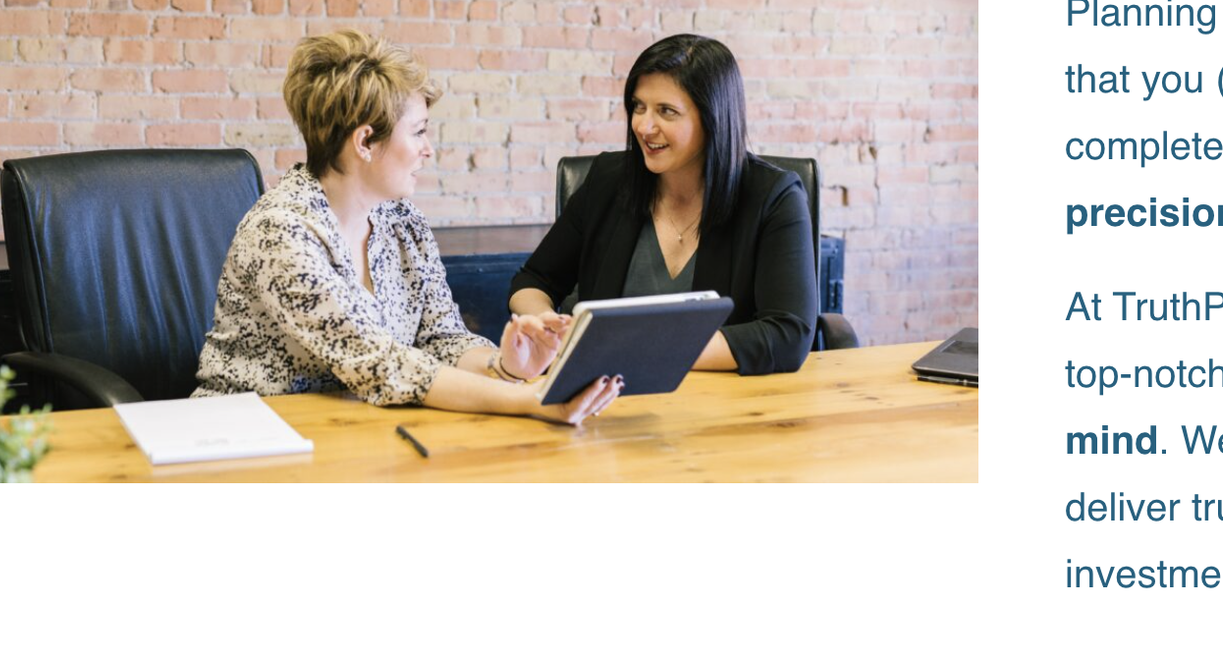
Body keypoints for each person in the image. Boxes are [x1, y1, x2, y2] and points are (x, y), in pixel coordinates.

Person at [194, 30, 623, 424]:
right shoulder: (281, 231)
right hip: (243, 435)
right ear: (365, 142)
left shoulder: (403, 221)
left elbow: (442, 339)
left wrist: (506, 366)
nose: (428, 149)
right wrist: (529, 399)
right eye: (418, 132)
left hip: (355, 431)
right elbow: (380, 364)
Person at [509, 35, 817, 374]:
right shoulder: (609, 180)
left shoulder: (773, 197)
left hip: (721, 396)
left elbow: (788, 335)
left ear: (713, 118)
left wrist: (637, 349)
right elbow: (533, 280)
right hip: (604, 392)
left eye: (666, 111)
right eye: (639, 107)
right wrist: (546, 324)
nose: (643, 126)